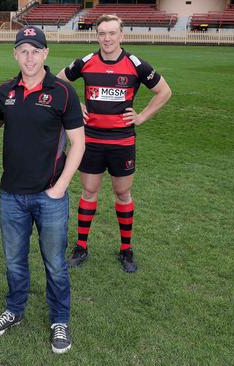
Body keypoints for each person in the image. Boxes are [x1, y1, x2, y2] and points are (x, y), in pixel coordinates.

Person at [0, 26, 85, 354]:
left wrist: (60, 187)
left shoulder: (63, 91)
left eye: (35, 51)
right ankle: (14, 310)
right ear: (15, 54)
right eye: (23, 51)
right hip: (11, 195)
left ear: (45, 54)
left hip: (49, 196)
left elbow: (78, 143)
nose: (29, 57)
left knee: (55, 263)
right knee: (15, 261)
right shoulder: (6, 91)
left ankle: (60, 320)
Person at [57, 14, 172, 272]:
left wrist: (141, 116)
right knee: (89, 192)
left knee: (122, 193)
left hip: (122, 141)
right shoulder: (85, 62)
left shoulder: (136, 64)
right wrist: (78, 105)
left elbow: (164, 91)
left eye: (112, 33)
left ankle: (125, 250)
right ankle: (81, 247)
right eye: (102, 33)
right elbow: (57, 81)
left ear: (122, 35)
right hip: (92, 140)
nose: (107, 38)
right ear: (97, 36)